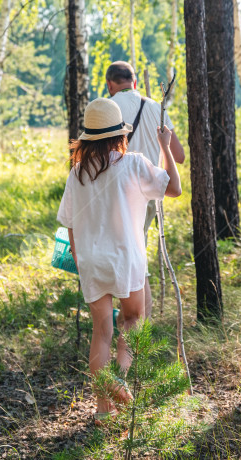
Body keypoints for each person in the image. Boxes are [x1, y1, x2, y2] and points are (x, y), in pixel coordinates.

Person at [57, 97, 181, 423]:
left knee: (101, 332)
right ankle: (120, 383)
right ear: (120, 135)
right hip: (127, 258)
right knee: (132, 320)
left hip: (92, 261)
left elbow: (70, 224)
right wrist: (165, 146)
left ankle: (103, 411)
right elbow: (175, 188)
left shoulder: (78, 172)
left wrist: (80, 257)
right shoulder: (135, 163)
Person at [105, 61, 185, 320]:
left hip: (115, 194)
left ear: (110, 85)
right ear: (135, 83)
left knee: (122, 255)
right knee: (135, 253)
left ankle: (134, 321)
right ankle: (136, 322)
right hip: (149, 195)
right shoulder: (153, 106)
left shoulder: (107, 108)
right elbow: (180, 156)